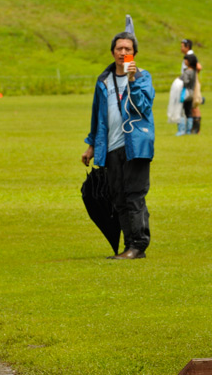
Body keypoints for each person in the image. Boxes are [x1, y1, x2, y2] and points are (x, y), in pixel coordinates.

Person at [81, 29, 155, 260]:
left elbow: (143, 107)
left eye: (128, 49)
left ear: (134, 53)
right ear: (113, 52)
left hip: (136, 146)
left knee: (134, 195)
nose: (123, 53)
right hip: (110, 146)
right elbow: (97, 114)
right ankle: (128, 245)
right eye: (119, 48)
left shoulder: (143, 77)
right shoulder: (103, 80)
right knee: (118, 197)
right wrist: (91, 145)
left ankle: (139, 245)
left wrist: (131, 80)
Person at [179, 54, 198, 135]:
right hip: (191, 93)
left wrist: (180, 80)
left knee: (182, 111)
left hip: (185, 93)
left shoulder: (187, 71)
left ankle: (182, 130)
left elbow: (185, 82)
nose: (184, 61)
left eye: (186, 60)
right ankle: (189, 130)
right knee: (189, 111)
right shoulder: (194, 71)